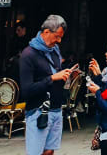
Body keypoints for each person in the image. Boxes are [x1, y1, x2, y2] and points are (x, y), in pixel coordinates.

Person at [19, 15, 73, 155]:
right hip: (38, 111)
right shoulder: (28, 55)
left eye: (61, 37)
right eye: (57, 36)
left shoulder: (55, 51)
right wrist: (52, 78)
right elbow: (26, 90)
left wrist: (66, 75)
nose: (59, 41)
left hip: (56, 109)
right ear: (46, 32)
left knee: (49, 152)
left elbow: (55, 76)